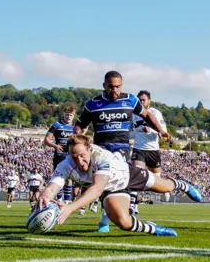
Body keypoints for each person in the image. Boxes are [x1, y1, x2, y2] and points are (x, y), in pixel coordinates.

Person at [36, 135, 202, 236]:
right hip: (111, 189)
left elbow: (96, 189)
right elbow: (53, 186)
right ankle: (153, 229)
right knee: (124, 223)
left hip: (128, 175)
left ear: (90, 150)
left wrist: (70, 207)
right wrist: (45, 195)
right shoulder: (65, 165)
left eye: (82, 155)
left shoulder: (101, 156)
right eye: (74, 157)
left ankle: (183, 186)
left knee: (165, 187)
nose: (79, 161)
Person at [74, 71, 172, 232]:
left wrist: (160, 130)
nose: (115, 90)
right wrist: (78, 136)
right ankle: (109, 216)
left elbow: (146, 115)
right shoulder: (93, 104)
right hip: (100, 150)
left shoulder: (130, 100)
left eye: (118, 87)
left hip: (121, 148)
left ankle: (107, 219)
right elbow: (80, 124)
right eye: (111, 87)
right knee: (106, 185)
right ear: (104, 85)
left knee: (113, 178)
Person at [131, 90, 168, 213]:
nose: (141, 102)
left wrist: (151, 130)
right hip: (139, 148)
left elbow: (163, 130)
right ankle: (133, 205)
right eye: (139, 100)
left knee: (157, 177)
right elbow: (132, 129)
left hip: (153, 150)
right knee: (136, 175)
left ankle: (165, 189)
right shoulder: (133, 113)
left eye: (143, 100)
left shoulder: (155, 113)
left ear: (149, 101)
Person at [44, 103, 76, 203]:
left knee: (69, 178)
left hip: (71, 155)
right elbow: (46, 140)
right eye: (67, 114)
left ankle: (66, 201)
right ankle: (59, 199)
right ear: (63, 114)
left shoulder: (75, 127)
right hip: (59, 155)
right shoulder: (56, 125)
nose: (68, 117)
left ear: (74, 116)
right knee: (58, 176)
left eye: (71, 115)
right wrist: (55, 146)